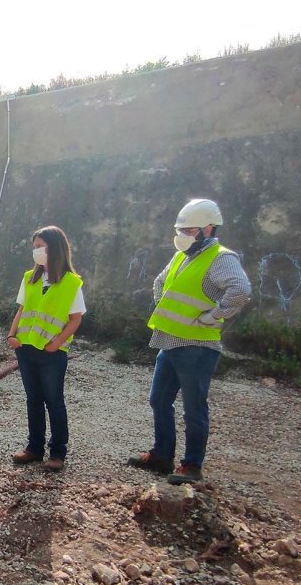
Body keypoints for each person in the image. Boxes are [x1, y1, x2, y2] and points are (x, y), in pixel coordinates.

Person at [128, 199, 251, 485]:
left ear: (208, 229)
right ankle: (161, 455)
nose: (182, 234)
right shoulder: (182, 256)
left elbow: (240, 290)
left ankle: (192, 466)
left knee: (194, 408)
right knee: (158, 399)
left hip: (196, 346)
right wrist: (163, 307)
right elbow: (160, 282)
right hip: (170, 341)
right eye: (180, 229)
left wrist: (212, 317)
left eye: (189, 229)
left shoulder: (221, 257)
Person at [6, 226, 85, 471]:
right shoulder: (30, 278)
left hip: (52, 354)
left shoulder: (71, 282)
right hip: (27, 348)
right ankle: (34, 448)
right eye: (35, 247)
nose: (37, 252)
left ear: (55, 249)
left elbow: (75, 318)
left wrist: (56, 344)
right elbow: (22, 309)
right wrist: (11, 334)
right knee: (33, 400)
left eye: (41, 247)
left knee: (54, 401)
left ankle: (58, 452)